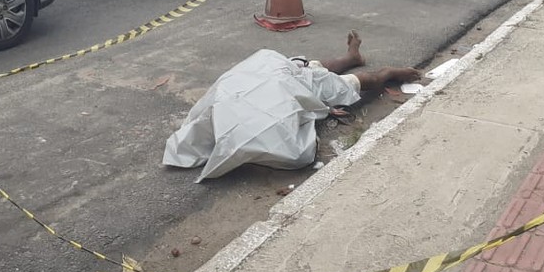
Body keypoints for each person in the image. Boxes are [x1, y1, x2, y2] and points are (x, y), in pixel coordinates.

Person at [163, 31, 421, 181]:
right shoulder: (230, 121)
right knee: (314, 71)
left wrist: (319, 112)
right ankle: (351, 57)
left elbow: (300, 156)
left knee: (344, 83)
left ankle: (387, 73)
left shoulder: (253, 122)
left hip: (273, 75)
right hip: (266, 69)